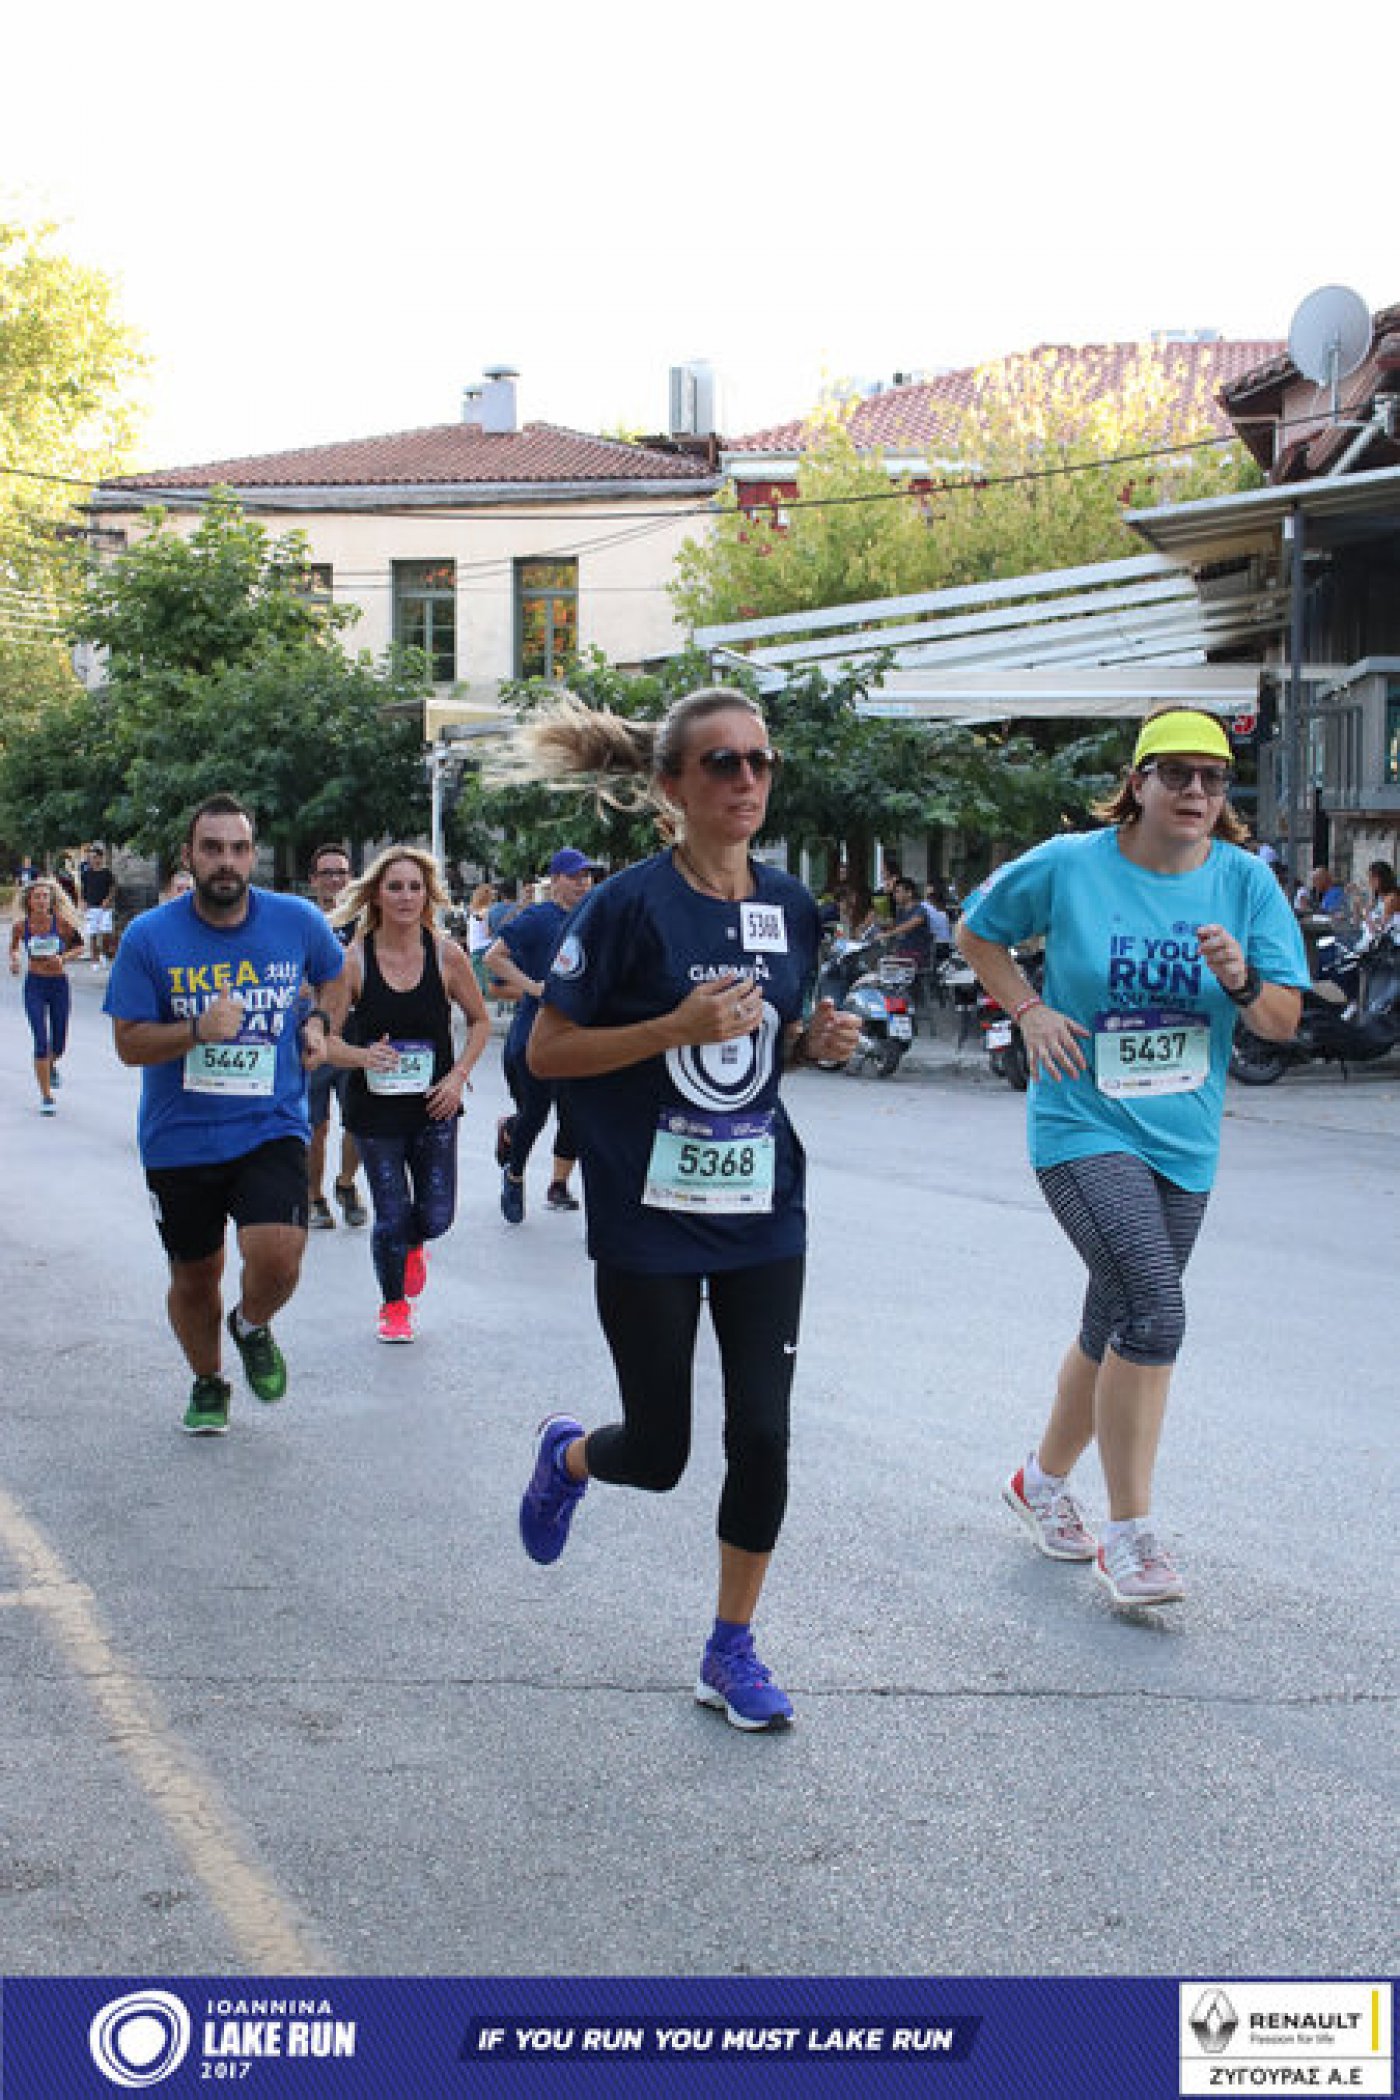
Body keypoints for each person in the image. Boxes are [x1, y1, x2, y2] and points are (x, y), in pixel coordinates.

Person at [507, 686, 860, 1731]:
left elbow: (765, 1045)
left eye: (760, 761)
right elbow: (547, 1051)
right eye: (722, 763)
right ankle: (569, 1456)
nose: (747, 779)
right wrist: (669, 1027)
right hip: (647, 1213)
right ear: (671, 786)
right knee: (659, 1455)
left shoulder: (789, 905)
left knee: (763, 1435)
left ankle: (730, 1647)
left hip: (762, 1209)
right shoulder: (626, 907)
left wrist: (814, 1044)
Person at [955, 708, 1309, 1610]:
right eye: (1176, 773)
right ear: (1138, 782)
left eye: (1213, 778)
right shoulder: (1072, 864)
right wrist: (1029, 1010)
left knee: (1114, 1315)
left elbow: (1281, 1021)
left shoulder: (1244, 882)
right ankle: (1131, 1534)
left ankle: (1039, 1482)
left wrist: (1240, 979)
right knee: (1154, 1309)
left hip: (1183, 1140)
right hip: (1082, 1123)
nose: (1196, 791)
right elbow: (977, 932)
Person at [103, 795, 348, 1435]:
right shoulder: (149, 936)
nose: (226, 861)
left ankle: (251, 1324)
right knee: (195, 1275)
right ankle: (209, 1380)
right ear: (189, 856)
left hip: (271, 1123)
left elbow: (336, 977)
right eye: (212, 848)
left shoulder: (296, 920)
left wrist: (320, 1024)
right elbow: (128, 1042)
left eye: (238, 848)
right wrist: (196, 1030)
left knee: (280, 1256)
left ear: (252, 855)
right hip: (179, 1138)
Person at [314, 846, 490, 1343]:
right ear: (376, 895)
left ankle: (415, 1244)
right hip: (375, 1112)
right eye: (395, 887)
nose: (406, 896)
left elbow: (479, 1021)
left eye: (415, 887)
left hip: (435, 1106)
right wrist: (363, 1056)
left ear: (428, 895)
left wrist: (457, 1076)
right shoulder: (353, 961)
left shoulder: (447, 955)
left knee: (436, 1218)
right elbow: (325, 1040)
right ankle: (393, 1306)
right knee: (391, 1215)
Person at [484, 848, 597, 1222]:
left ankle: (559, 1184)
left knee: (577, 1115)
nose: (582, 883)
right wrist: (534, 987)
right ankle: (514, 1176)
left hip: (577, 1033)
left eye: (586, 876)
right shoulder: (537, 917)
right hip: (535, 1032)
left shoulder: (593, 917)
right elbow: (493, 958)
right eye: (574, 876)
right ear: (556, 880)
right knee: (535, 1113)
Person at [303, 842, 368, 1231]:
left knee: (358, 1120)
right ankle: (314, 1197)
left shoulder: (366, 923)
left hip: (357, 1030)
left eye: (341, 873)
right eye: (327, 873)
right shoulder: (305, 922)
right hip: (315, 1030)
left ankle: (345, 1183)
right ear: (313, 880)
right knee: (316, 1124)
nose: (335, 880)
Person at [9, 878, 83, 1112]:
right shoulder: (21, 927)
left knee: (58, 1044)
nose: (41, 901)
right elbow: (13, 947)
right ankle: (47, 1096)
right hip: (35, 985)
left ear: (51, 901)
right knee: (41, 1041)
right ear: (29, 901)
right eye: (37, 897)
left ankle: (50, 1065)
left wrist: (62, 958)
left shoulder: (61, 924)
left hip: (58, 985)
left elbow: (79, 947)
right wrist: (14, 960)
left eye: (45, 897)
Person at [79, 843, 116, 966]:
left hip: (104, 908)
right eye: (91, 858)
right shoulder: (86, 873)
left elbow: (113, 888)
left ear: (100, 858)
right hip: (91, 906)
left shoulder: (107, 873)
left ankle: (103, 954)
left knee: (106, 932)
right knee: (92, 933)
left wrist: (108, 900)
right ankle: (94, 959)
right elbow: (82, 888)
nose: (93, 860)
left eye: (95, 857)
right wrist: (82, 901)